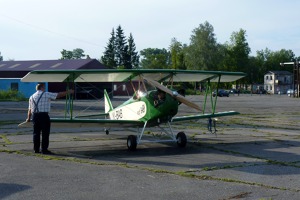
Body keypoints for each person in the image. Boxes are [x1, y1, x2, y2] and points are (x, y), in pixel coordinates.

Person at [26, 83, 74, 154]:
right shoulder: (46, 94)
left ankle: (36, 149)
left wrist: (28, 118)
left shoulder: (31, 96)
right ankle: (44, 149)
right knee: (45, 133)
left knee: (36, 133)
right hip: (44, 116)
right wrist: (68, 92)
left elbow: (29, 109)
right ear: (42, 88)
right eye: (44, 87)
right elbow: (58, 95)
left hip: (35, 116)